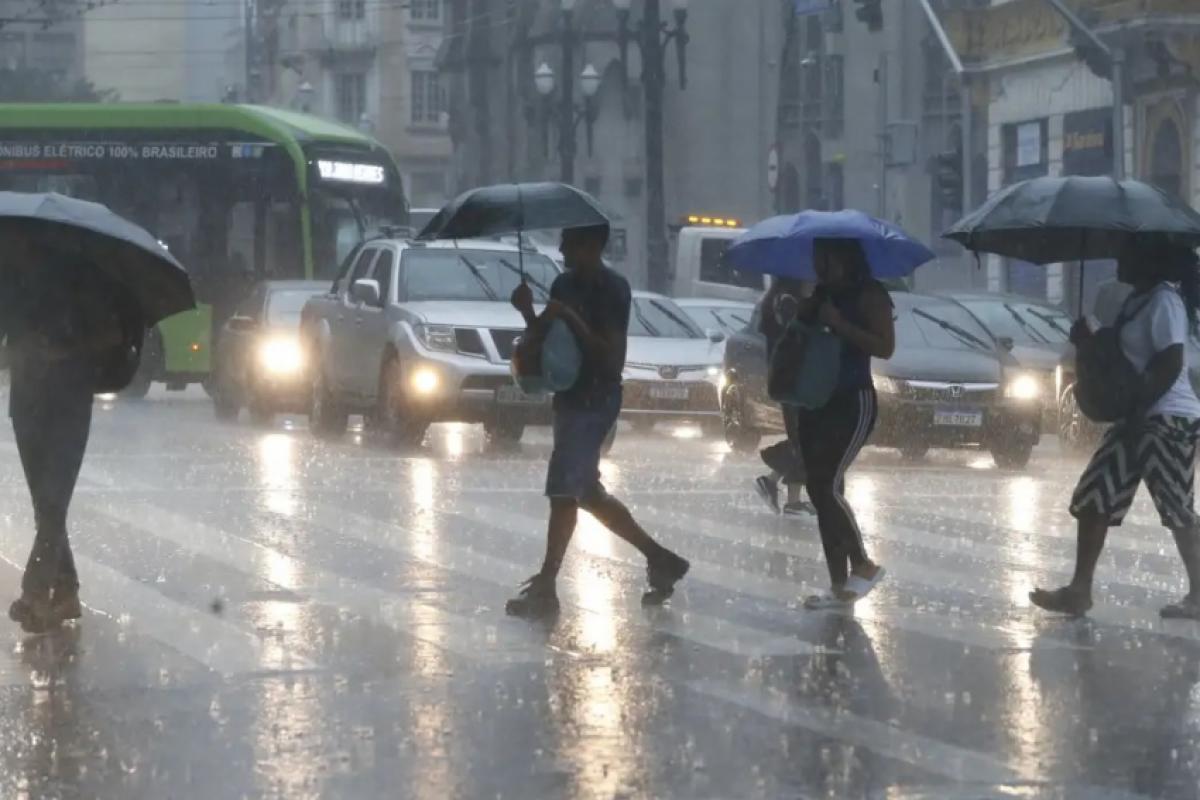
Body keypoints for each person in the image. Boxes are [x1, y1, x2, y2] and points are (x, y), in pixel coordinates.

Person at [506, 224, 690, 617]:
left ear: (591, 246)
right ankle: (661, 559)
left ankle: (546, 584)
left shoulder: (613, 289)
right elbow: (548, 338)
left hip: (596, 399)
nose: (561, 249)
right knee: (584, 491)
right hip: (569, 396)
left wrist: (569, 316)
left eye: (569, 243)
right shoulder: (562, 285)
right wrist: (528, 312)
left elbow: (609, 356)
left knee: (562, 491)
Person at [1031, 240, 1200, 619]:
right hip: (1135, 416)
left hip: (1168, 418)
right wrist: (1086, 342)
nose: (1120, 260)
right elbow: (1124, 360)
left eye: (1130, 253)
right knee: (1094, 496)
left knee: (1176, 506)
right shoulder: (1137, 302)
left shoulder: (1164, 301)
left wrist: (1141, 409)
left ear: (1150, 259)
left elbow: (1171, 361)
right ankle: (1079, 590)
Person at [0, 233, 124, 633]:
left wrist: (65, 351)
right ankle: (67, 590)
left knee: (53, 502)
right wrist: (23, 350)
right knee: (46, 505)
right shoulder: (12, 284)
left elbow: (112, 336)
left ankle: (35, 593)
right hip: (27, 406)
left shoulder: (83, 283)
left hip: (69, 405)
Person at [793, 239, 894, 609]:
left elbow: (884, 346)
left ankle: (863, 564)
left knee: (826, 484)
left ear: (846, 257)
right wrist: (804, 312)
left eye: (827, 257)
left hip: (853, 401)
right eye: (816, 257)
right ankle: (839, 585)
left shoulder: (871, 295)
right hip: (815, 399)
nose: (820, 264)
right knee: (821, 491)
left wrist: (839, 324)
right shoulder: (821, 293)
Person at [753, 277, 815, 516]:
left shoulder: (776, 301)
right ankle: (770, 480)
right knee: (804, 440)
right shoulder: (788, 303)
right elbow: (796, 339)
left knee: (801, 438)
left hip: (787, 380)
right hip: (794, 381)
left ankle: (793, 500)